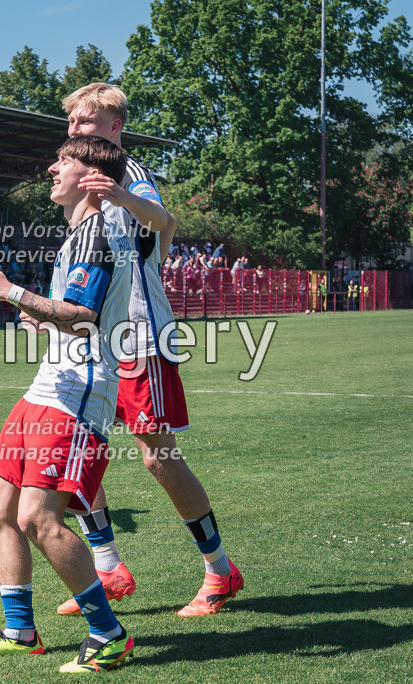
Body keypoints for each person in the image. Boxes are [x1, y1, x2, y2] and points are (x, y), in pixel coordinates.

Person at [56, 83, 243, 618]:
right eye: (72, 122)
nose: (75, 130)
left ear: (114, 127)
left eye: (86, 123)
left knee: (157, 455)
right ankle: (109, 566)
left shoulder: (128, 174)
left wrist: (124, 199)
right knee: (77, 450)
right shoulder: (75, 179)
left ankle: (219, 571)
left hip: (139, 333)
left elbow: (163, 222)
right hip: (93, 338)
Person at [0, 136, 135, 673]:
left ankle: (108, 634)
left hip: (80, 392)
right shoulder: (77, 235)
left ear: (90, 176)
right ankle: (20, 631)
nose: (52, 168)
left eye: (64, 161)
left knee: (39, 518)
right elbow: (75, 314)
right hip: (50, 384)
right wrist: (40, 316)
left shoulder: (98, 232)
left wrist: (12, 292)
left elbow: (82, 315)